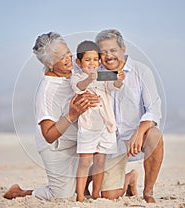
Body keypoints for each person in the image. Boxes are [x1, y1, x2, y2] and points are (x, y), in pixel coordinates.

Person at [3, 32, 99, 200]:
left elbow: (96, 77)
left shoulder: (75, 69)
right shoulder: (47, 91)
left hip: (77, 138)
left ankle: (81, 182)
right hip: (55, 147)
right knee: (62, 196)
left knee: (107, 141)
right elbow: (48, 135)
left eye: (68, 51)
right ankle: (20, 192)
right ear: (49, 63)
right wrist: (72, 114)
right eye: (62, 57)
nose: (69, 57)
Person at [94, 29, 164, 203]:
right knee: (110, 197)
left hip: (133, 138)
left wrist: (139, 132)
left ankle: (148, 191)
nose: (108, 56)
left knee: (154, 134)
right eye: (103, 52)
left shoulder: (141, 71)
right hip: (107, 144)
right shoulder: (95, 74)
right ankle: (130, 178)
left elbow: (154, 109)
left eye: (113, 50)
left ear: (123, 49)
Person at [70, 40, 124, 202]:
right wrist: (89, 79)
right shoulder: (77, 77)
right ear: (79, 62)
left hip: (106, 128)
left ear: (99, 61)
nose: (92, 63)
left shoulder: (103, 75)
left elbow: (115, 85)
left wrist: (119, 78)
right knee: (85, 162)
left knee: (100, 162)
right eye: (87, 60)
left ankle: (96, 194)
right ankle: (80, 196)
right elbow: (79, 87)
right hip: (88, 128)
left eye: (95, 59)